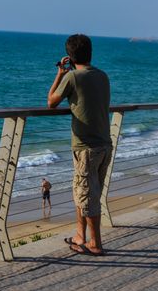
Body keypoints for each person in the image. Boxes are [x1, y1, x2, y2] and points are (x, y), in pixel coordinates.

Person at [47, 34, 112, 257]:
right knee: (83, 193)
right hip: (104, 144)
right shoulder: (103, 76)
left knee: (87, 196)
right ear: (90, 53)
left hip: (86, 148)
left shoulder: (73, 77)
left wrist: (59, 74)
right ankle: (79, 236)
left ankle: (95, 244)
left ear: (70, 57)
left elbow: (51, 102)